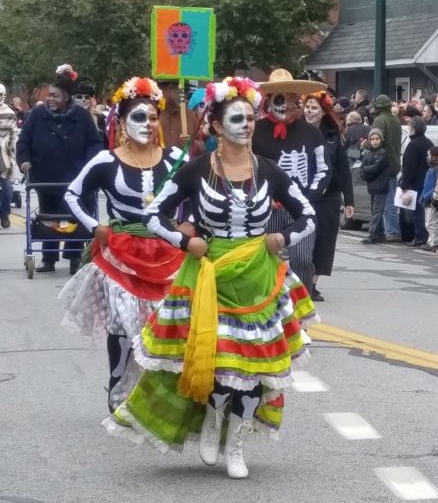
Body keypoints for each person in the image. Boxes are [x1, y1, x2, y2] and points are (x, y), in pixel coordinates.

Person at [104, 77, 317, 479]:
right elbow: (153, 215)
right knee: (217, 360)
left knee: (254, 367)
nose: (246, 124)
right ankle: (214, 417)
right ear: (216, 126)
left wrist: (281, 237)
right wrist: (186, 243)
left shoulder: (268, 170)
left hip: (258, 275)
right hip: (208, 276)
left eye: (251, 118)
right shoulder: (197, 170)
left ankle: (237, 442)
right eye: (237, 118)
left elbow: (309, 215)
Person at [59, 76, 188, 412]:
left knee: (163, 323)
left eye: (153, 117)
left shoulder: (177, 157)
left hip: (167, 253)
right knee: (122, 322)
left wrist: (189, 222)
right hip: (120, 253)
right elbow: (72, 194)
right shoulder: (106, 161)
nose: (148, 124)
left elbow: (198, 192)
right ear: (119, 122)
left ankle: (158, 392)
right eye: (139, 118)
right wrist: (94, 226)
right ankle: (118, 384)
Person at [16, 64, 105, 274]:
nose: (51, 99)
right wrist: (24, 161)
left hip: (75, 178)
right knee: (49, 217)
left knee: (72, 218)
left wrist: (90, 164)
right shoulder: (37, 114)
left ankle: (74, 257)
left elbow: (95, 143)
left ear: (66, 97)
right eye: (50, 95)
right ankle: (49, 259)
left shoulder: (81, 116)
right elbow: (23, 142)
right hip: (44, 177)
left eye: (55, 95)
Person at [252, 69, 330, 294]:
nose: (285, 105)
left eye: (290, 98)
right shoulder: (255, 131)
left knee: (303, 259)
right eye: (279, 98)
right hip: (267, 207)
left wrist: (310, 197)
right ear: (268, 100)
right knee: (263, 257)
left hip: (301, 207)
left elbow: (324, 169)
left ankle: (301, 304)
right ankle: (266, 302)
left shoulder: (311, 132)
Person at [303, 90, 354, 302]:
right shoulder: (297, 133)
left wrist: (349, 200)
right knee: (303, 241)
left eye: (314, 107)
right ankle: (298, 280)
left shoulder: (333, 136)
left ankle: (312, 285)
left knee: (323, 242)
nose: (309, 111)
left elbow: (343, 168)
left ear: (323, 112)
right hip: (303, 195)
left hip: (328, 197)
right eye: (307, 107)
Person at [368, 94, 403, 242]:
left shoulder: (379, 120)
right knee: (389, 199)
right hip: (394, 163)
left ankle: (391, 231)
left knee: (383, 200)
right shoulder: (395, 120)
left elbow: (376, 141)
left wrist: (366, 144)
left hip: (382, 165)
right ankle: (387, 230)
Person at [400, 117, 432, 246]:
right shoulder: (428, 142)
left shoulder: (413, 145)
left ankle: (419, 236)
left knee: (417, 211)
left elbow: (409, 166)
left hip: (416, 182)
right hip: (427, 180)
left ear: (413, 128)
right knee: (425, 211)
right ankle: (424, 235)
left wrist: (404, 183)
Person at [360, 129, 391, 245]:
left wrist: (366, 170)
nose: (375, 141)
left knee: (377, 211)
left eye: (377, 139)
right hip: (372, 185)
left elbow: (376, 167)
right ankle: (380, 234)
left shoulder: (382, 153)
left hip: (381, 186)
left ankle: (372, 234)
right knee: (375, 210)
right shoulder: (369, 153)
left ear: (381, 140)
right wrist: (365, 171)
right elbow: (362, 169)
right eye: (372, 139)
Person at [0, 86, 17, 228]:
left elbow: (12, 134)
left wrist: (7, 151)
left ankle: (4, 213)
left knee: (7, 187)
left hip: (4, 154)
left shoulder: (9, 113)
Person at [419, 146, 438, 251]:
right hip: (426, 199)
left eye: (428, 155)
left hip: (431, 199)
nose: (427, 158)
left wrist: (426, 196)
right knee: (427, 221)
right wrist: (422, 197)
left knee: (431, 222)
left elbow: (436, 186)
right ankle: (431, 240)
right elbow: (425, 186)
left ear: (434, 157)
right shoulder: (431, 170)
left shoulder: (437, 170)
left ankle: (435, 241)